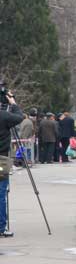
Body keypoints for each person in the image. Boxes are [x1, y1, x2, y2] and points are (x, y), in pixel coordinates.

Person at [0, 86, 23, 237]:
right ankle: (1, 227)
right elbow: (19, 117)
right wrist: (13, 103)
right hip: (1, 159)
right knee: (1, 192)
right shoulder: (4, 116)